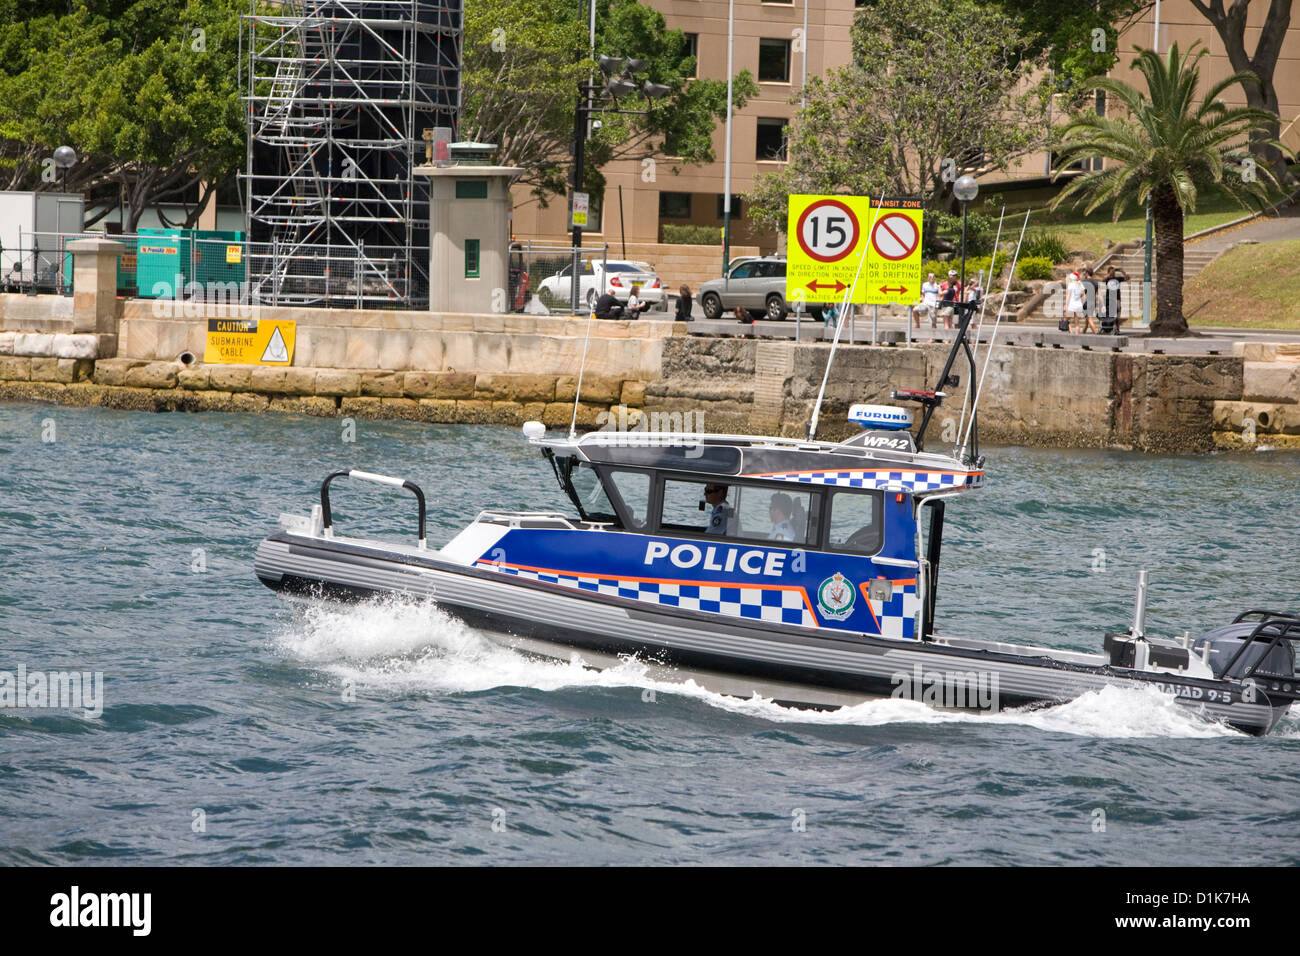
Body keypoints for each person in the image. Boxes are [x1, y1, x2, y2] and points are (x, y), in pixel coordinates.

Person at [1102, 266, 1128, 333]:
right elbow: (1103, 279)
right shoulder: (1108, 279)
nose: (1113, 273)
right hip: (1109, 299)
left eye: (1114, 272)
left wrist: (1122, 271)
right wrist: (1109, 274)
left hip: (1117, 299)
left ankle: (1117, 328)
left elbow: (1127, 278)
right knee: (1110, 314)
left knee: (1117, 314)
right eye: (1112, 271)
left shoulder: (1118, 278)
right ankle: (1109, 327)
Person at [916, 272, 940, 336]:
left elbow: (940, 295)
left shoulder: (937, 285)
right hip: (926, 303)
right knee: (915, 310)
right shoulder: (925, 284)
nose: (931, 278)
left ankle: (933, 337)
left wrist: (938, 304)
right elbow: (923, 294)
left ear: (934, 278)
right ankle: (917, 325)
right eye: (930, 277)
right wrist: (923, 301)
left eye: (933, 277)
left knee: (933, 322)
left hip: (933, 305)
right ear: (928, 278)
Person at [939, 269, 962, 335]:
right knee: (949, 322)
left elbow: (963, 292)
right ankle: (949, 337)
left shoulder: (958, 284)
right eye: (951, 275)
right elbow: (941, 295)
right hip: (947, 303)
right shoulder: (944, 284)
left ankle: (954, 337)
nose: (952, 277)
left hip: (956, 303)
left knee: (955, 322)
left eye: (954, 275)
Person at [1080, 268, 1101, 334]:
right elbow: (1099, 293)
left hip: (1086, 303)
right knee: (1087, 321)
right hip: (1093, 303)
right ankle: (1082, 334)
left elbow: (1082, 294)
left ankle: (1096, 334)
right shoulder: (1095, 282)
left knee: (1089, 320)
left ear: (1087, 273)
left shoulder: (1084, 282)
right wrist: (1102, 304)